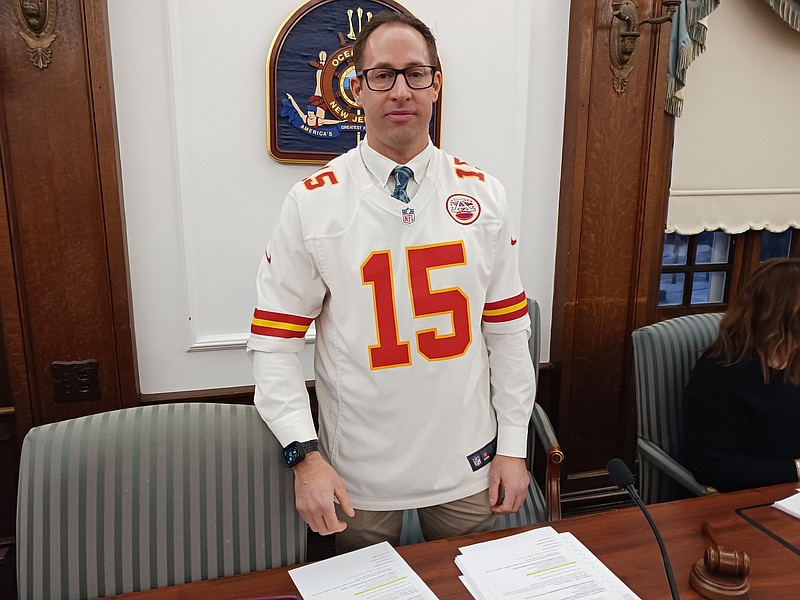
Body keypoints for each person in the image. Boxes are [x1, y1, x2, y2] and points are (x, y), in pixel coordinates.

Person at [247, 11, 535, 553]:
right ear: (357, 88)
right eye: (382, 75)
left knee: (463, 586)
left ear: (436, 84)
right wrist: (304, 456)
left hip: (466, 461)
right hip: (358, 471)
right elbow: (273, 345)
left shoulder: (486, 196)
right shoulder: (313, 202)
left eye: (415, 73)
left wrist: (515, 446)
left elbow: (507, 335)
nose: (399, 90)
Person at [686, 257, 800, 493]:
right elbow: (711, 465)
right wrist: (796, 469)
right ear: (780, 313)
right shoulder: (722, 370)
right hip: (753, 498)